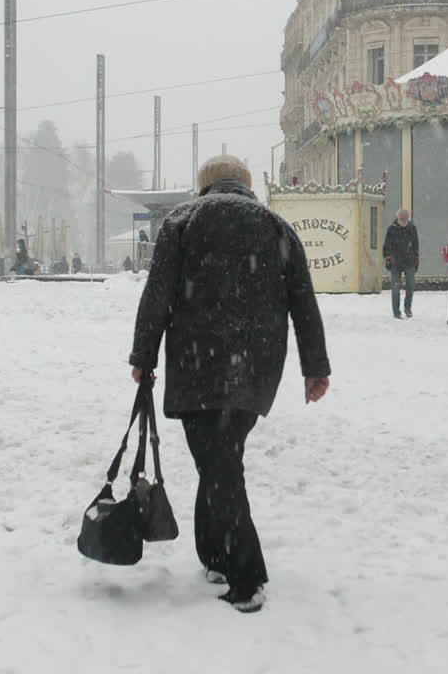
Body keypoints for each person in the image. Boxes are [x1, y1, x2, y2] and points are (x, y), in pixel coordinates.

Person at [129, 155, 331, 614]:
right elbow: (303, 299)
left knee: (219, 466)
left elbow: (156, 295)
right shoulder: (275, 226)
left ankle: (247, 576)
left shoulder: (182, 222)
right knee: (221, 458)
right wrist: (314, 367)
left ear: (203, 185)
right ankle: (215, 556)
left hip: (197, 364)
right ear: (244, 185)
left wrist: (144, 357)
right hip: (256, 368)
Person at [383, 209, 419, 319]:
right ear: (398, 218)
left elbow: (415, 245)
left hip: (409, 261)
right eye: (401, 219)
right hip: (396, 262)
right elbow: (387, 246)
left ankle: (407, 308)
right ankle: (396, 311)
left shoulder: (412, 228)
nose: (403, 221)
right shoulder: (391, 229)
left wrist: (416, 258)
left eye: (405, 219)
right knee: (395, 288)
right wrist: (388, 258)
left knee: (410, 286)